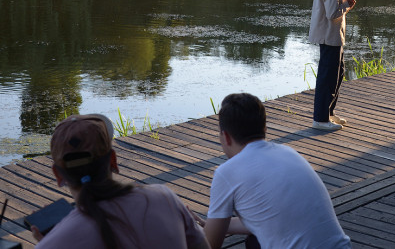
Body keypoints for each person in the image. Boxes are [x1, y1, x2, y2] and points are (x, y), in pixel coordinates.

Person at [33, 114, 209, 249]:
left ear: (58, 175)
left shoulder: (55, 243)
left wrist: (50, 240)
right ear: (113, 161)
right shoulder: (164, 198)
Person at [203, 93, 351, 249]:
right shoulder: (289, 153)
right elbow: (269, 220)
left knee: (254, 242)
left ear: (225, 136)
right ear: (265, 128)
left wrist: (193, 230)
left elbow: (209, 245)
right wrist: (215, 224)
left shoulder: (227, 172)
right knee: (255, 239)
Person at [308, 0, 356, 131]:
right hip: (329, 36)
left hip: (335, 35)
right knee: (327, 77)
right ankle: (320, 119)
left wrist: (344, 3)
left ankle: (328, 113)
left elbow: (335, 10)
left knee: (338, 74)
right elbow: (332, 13)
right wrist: (347, 5)